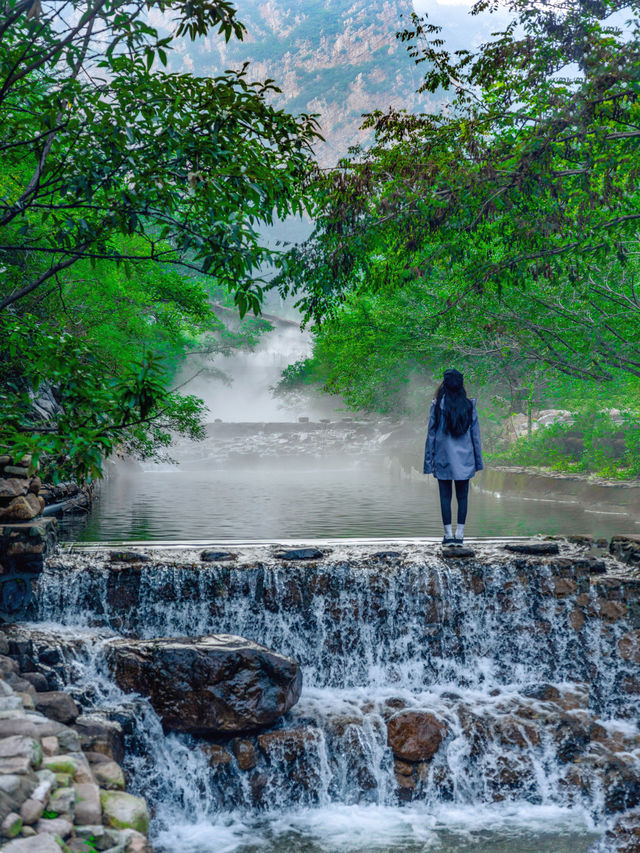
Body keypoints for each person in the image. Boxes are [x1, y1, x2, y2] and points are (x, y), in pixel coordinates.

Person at [423, 369, 483, 545]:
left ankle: (448, 535)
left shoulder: (437, 405)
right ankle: (460, 535)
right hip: (465, 460)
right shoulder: (469, 406)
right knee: (463, 497)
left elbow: (431, 435)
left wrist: (428, 463)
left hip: (443, 459)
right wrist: (478, 462)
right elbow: (476, 437)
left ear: (444, 384)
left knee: (445, 497)